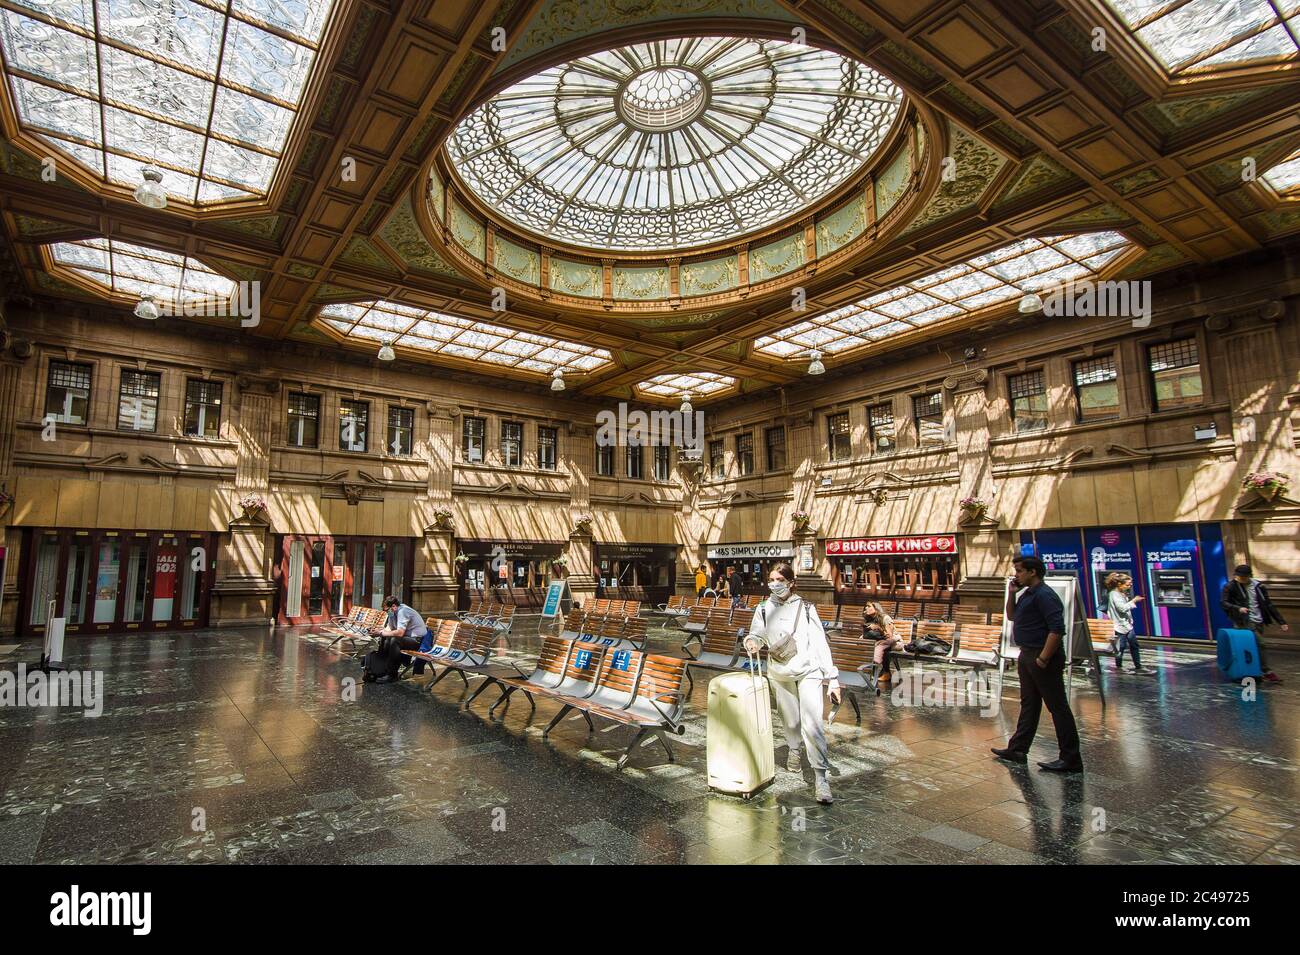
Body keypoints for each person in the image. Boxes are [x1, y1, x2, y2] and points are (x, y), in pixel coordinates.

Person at [742, 563, 841, 804]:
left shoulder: (806, 608)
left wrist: (833, 678)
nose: (775, 583)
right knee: (790, 719)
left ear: (791, 581)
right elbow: (758, 634)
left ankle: (820, 777)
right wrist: (752, 641)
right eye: (772, 579)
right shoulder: (764, 608)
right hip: (779, 671)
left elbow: (819, 643)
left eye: (780, 579)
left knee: (812, 722)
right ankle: (794, 749)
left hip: (809, 671)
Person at [992, 556, 1083, 773]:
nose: (1016, 574)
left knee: (1057, 707)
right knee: (1029, 703)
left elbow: (1057, 629)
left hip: (1042, 657)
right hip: (1027, 654)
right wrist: (1012, 594)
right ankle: (1018, 749)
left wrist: (1043, 658)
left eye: (1019, 570)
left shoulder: (1045, 595)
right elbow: (1012, 615)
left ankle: (1071, 758)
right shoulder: (1027, 594)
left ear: (1033, 572)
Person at [1221, 564, 1287, 684]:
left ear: (1248, 577)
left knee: (1253, 646)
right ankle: (1266, 671)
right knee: (1260, 644)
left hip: (1258, 620)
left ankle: (1253, 671)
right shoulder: (1230, 586)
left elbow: (1268, 604)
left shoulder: (1258, 586)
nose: (1237, 578)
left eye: (1241, 577)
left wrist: (1281, 621)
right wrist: (1238, 608)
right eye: (1237, 576)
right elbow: (1224, 603)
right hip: (1243, 621)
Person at [368, 595, 430, 684]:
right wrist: (379, 632)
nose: (386, 612)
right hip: (407, 638)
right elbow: (390, 627)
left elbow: (400, 633)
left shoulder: (403, 611)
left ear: (393, 606)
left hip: (417, 640)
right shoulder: (392, 612)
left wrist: (382, 633)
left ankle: (392, 675)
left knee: (395, 640)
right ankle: (381, 669)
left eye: (387, 610)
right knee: (386, 638)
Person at [1103, 573, 1148, 673]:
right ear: (1119, 584)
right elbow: (1122, 608)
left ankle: (1138, 666)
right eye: (1127, 585)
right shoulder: (1114, 594)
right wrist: (1134, 601)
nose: (1129, 586)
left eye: (1130, 584)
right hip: (1119, 625)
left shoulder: (1121, 593)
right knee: (1121, 646)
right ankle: (1119, 667)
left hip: (1126, 624)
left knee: (1134, 645)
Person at [864, 601, 900, 686]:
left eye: (869, 606)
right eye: (866, 607)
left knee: (884, 647)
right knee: (869, 644)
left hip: (894, 642)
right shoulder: (870, 619)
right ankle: (871, 672)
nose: (866, 608)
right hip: (880, 641)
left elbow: (889, 636)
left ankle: (886, 672)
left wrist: (878, 628)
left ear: (876, 608)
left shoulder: (885, 618)